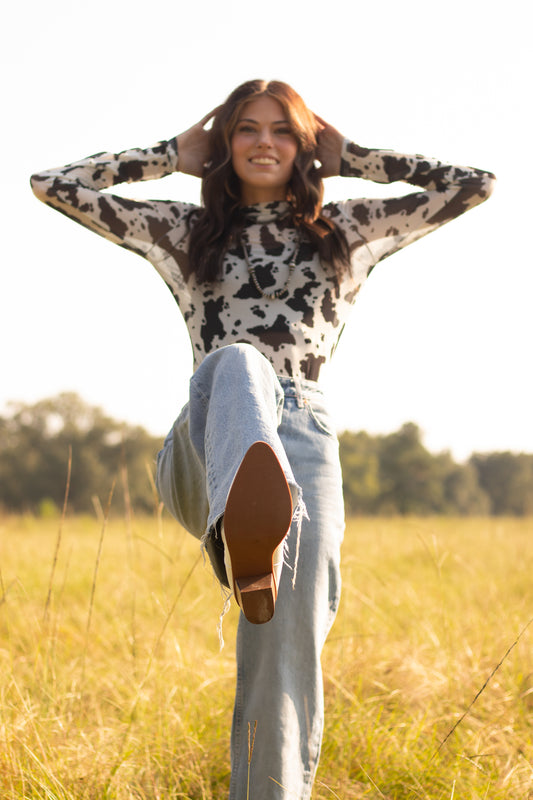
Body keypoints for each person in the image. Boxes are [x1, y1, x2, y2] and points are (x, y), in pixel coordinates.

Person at [30, 78, 495, 799]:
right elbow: (53, 185)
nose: (264, 143)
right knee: (240, 362)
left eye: (283, 131)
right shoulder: (185, 234)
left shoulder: (345, 229)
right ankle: (243, 506)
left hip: (305, 441)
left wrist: (357, 157)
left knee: (285, 651)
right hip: (210, 433)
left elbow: (472, 186)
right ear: (222, 146)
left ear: (308, 146)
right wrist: (168, 155)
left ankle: (258, 548)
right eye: (245, 129)